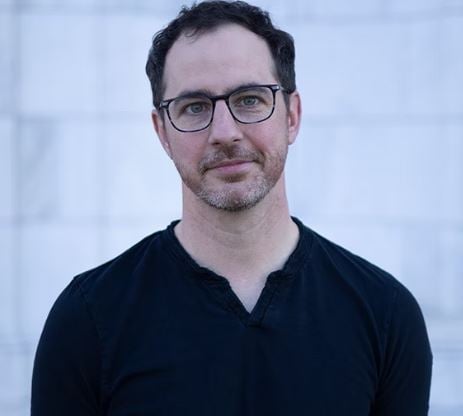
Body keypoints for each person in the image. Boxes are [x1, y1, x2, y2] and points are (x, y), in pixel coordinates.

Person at [31, 1, 433, 415]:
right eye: (194, 107)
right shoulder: (89, 319)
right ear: (162, 132)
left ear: (292, 116)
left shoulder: (385, 314)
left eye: (250, 99)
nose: (225, 133)